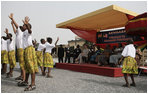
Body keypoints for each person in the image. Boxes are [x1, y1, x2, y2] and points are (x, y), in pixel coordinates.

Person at [19, 16, 38, 91]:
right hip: (25, 50)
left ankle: (33, 84)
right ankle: (26, 81)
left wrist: (27, 24)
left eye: (24, 25)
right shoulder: (24, 33)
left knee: (31, 67)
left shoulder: (27, 31)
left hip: (29, 50)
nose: (23, 26)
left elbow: (30, 31)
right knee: (27, 67)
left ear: (27, 27)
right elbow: (20, 28)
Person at [9, 13, 26, 82]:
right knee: (21, 63)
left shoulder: (22, 32)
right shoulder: (19, 33)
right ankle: (22, 76)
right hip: (19, 49)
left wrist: (12, 19)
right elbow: (15, 31)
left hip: (21, 49)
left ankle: (24, 78)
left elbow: (17, 26)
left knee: (22, 64)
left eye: (23, 26)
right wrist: (12, 24)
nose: (20, 27)